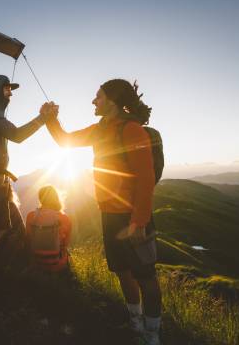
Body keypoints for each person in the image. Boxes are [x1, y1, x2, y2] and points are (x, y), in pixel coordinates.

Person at [41, 79, 162, 345]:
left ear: (113, 101)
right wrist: (50, 119)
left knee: (146, 277)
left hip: (132, 217)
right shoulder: (99, 130)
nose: (93, 101)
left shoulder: (132, 130)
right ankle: (135, 324)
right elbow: (66, 141)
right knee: (123, 271)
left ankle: (153, 336)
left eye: (98, 97)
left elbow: (145, 179)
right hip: (109, 216)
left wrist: (139, 222)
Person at [0, 74, 48, 287]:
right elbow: (17, 135)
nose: (11, 93)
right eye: (7, 89)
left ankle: (11, 266)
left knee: (11, 226)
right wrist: (43, 118)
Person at [25, 185, 72, 272]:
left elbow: (28, 239)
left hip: (35, 263)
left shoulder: (31, 216)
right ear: (56, 198)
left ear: (40, 198)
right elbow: (66, 244)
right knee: (67, 253)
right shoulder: (64, 218)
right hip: (57, 264)